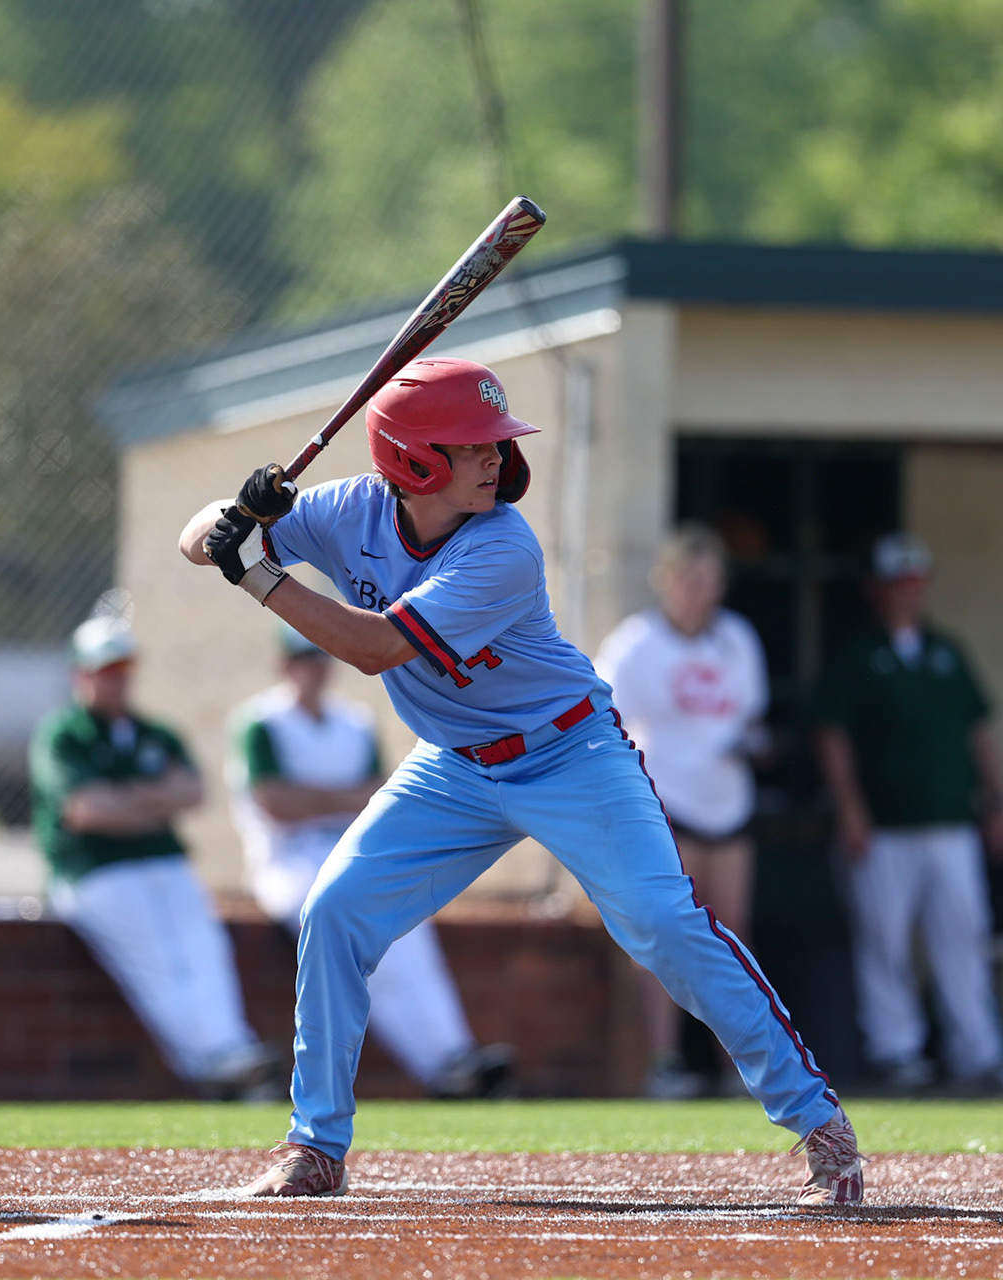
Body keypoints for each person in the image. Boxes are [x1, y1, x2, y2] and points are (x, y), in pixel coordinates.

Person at [182, 356, 859, 1205]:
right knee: (336, 909)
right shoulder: (346, 508)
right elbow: (194, 537)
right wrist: (240, 512)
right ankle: (315, 1145)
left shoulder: (502, 544)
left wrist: (257, 570)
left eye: (496, 444)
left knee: (662, 925)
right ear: (415, 458)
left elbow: (375, 648)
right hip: (454, 766)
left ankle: (819, 1125)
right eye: (474, 446)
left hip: (569, 754)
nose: (495, 459)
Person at [227, 622, 513, 1099]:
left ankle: (454, 1055)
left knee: (409, 927)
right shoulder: (260, 722)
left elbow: (378, 794)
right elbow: (276, 803)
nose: (312, 670)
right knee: (350, 935)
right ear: (284, 666)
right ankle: (438, 1066)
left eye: (319, 658)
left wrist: (316, 799)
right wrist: (342, 798)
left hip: (348, 846)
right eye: (302, 660)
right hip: (287, 861)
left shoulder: (354, 721)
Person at [813, 533, 1003, 1096]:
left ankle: (978, 1051)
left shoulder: (946, 650)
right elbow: (833, 736)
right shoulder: (857, 654)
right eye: (898, 585)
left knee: (964, 935)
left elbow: (977, 731)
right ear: (877, 590)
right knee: (885, 941)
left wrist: (997, 802)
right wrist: (850, 809)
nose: (908, 595)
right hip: (884, 827)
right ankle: (897, 1050)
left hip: (951, 823)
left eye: (916, 584)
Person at [29, 613, 280, 1101]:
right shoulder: (63, 734)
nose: (116, 678)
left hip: (162, 862)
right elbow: (86, 811)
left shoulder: (152, 731)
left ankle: (232, 1052)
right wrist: (151, 800)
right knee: (157, 960)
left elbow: (192, 792)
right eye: (105, 669)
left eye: (123, 667)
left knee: (203, 948)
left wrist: (123, 800)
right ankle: (211, 1062)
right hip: (93, 871)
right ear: (80, 674)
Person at [594, 524, 769, 1100]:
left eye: (710, 580)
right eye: (689, 579)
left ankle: (738, 1063)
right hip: (668, 802)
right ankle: (665, 1060)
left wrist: (752, 744)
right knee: (667, 933)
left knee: (731, 936)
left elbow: (748, 717)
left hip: (727, 802)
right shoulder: (637, 643)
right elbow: (603, 716)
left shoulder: (737, 639)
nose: (701, 591)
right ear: (666, 581)